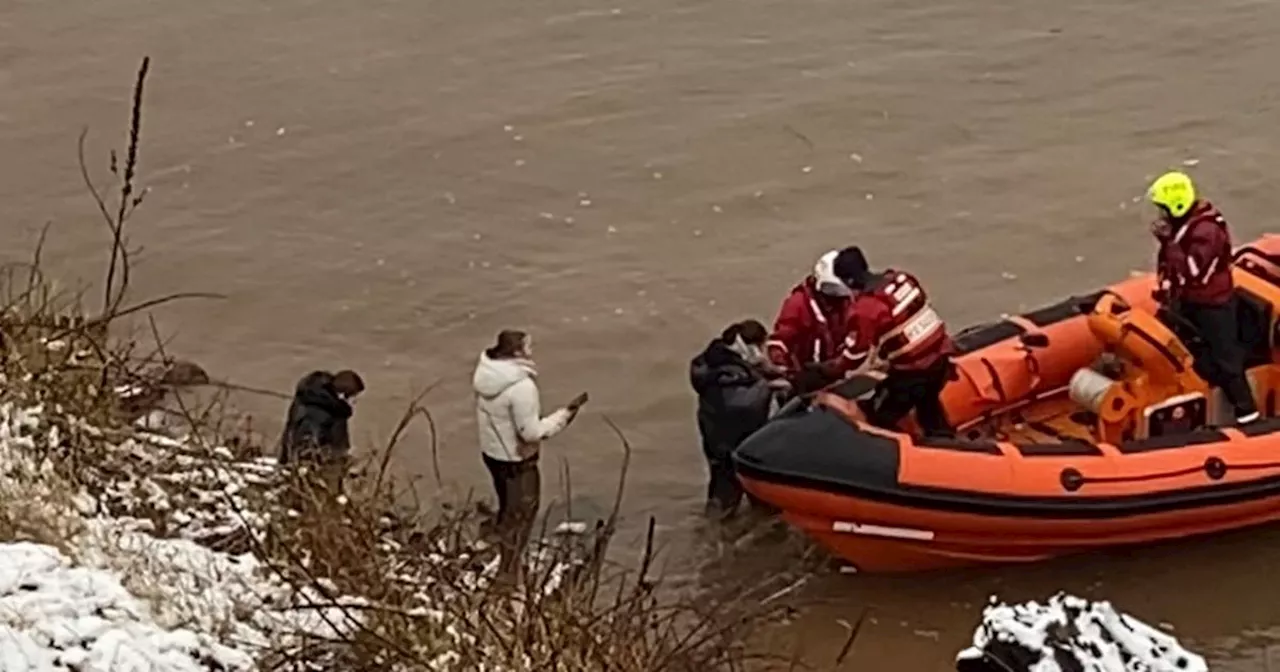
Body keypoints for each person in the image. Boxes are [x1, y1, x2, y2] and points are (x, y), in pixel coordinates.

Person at [472, 329, 588, 578]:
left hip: (492, 454)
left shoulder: (486, 375)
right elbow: (531, 433)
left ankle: (497, 543)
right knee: (523, 514)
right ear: (516, 352)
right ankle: (509, 571)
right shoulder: (522, 387)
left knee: (506, 504)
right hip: (517, 461)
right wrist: (566, 415)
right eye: (528, 347)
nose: (531, 352)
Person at [1148, 171, 1259, 424]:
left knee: (1227, 362)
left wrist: (1170, 243)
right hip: (1189, 301)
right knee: (1183, 347)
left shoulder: (1207, 232)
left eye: (1163, 208)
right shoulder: (1186, 228)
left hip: (1213, 305)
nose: (1161, 214)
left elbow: (1195, 272)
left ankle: (1248, 414)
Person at [832, 246, 956, 437]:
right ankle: (946, 442)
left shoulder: (866, 309)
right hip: (940, 359)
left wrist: (824, 370)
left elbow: (854, 356)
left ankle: (903, 458)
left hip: (914, 373)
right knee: (929, 408)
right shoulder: (902, 279)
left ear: (848, 281)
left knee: (880, 417)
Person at [689, 319, 781, 518]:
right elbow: (743, 403)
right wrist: (768, 387)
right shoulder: (724, 374)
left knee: (731, 492)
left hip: (717, 437)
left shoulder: (716, 362)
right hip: (728, 443)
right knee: (728, 495)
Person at [767, 250, 856, 394]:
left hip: (836, 373)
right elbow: (780, 340)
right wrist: (782, 368)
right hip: (805, 377)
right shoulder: (798, 305)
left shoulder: (846, 303)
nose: (835, 294)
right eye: (831, 289)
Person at [278, 369, 365, 465]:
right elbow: (309, 445)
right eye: (354, 397)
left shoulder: (313, 402)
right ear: (343, 395)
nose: (354, 402)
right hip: (314, 469)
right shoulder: (323, 412)